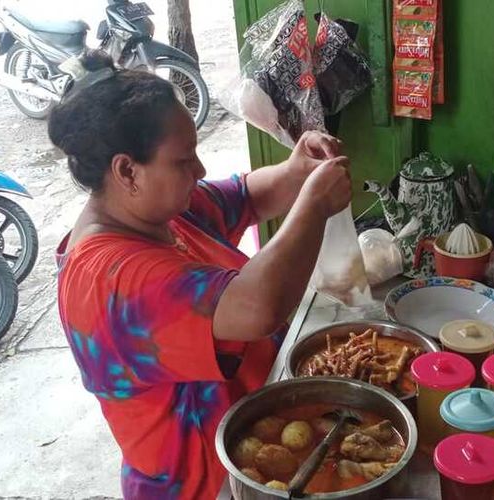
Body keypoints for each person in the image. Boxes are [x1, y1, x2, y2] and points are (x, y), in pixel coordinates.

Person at [49, 51, 351, 499]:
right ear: (127, 170)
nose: (200, 171)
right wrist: (313, 205)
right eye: (184, 159)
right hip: (202, 486)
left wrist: (296, 170)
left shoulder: (160, 213)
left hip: (257, 455)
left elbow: (246, 196)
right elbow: (257, 307)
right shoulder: (108, 282)